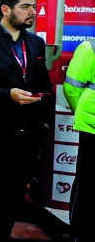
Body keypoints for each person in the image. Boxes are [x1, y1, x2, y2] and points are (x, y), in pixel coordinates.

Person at [0, 0, 54, 242]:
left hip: (26, 139)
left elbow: (44, 84)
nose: (32, 12)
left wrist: (43, 120)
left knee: (12, 201)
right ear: (5, 9)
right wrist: (7, 95)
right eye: (25, 7)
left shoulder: (36, 43)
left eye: (34, 7)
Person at [64, 39, 95, 242]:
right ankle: (78, 234)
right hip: (92, 127)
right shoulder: (90, 48)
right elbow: (71, 88)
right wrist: (82, 113)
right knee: (87, 183)